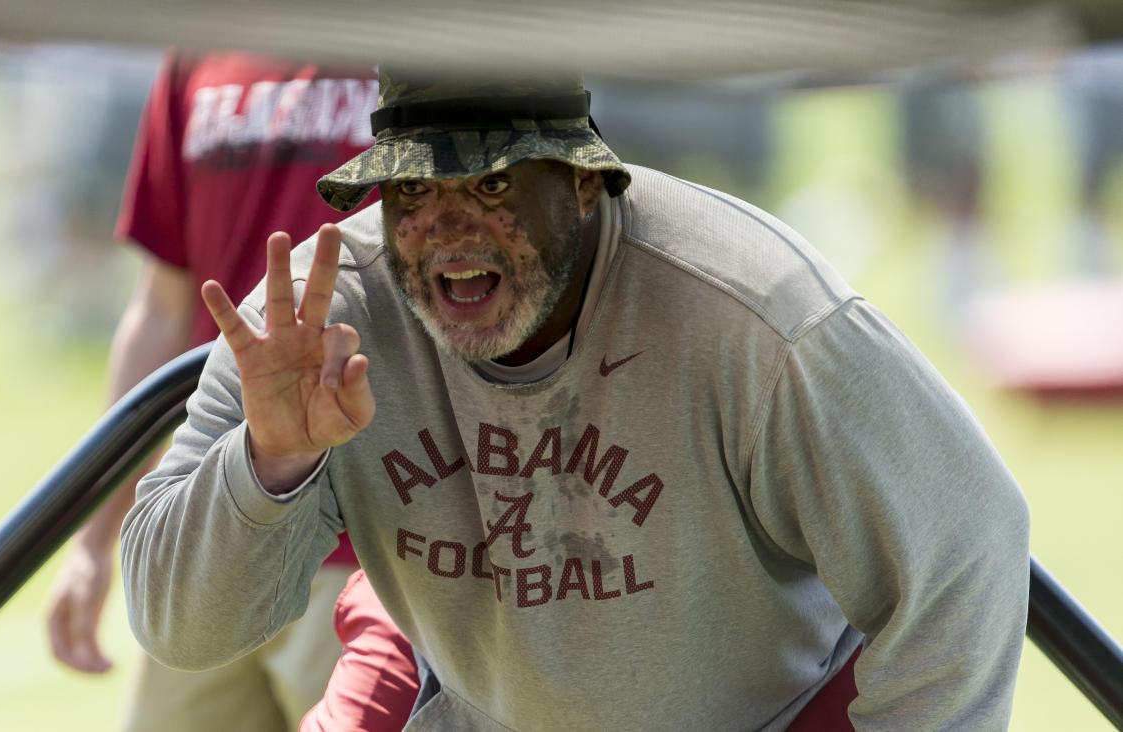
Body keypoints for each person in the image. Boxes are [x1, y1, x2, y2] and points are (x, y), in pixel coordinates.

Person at [121, 67, 1031, 730]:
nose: (446, 231)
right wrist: (270, 462)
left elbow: (968, 540)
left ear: (587, 182)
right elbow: (178, 628)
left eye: (492, 183)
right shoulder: (333, 313)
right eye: (409, 189)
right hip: (472, 696)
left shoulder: (752, 310)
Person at [45, 49, 408, 731]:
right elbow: (159, 308)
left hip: (379, 536)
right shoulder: (200, 48)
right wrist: (95, 538)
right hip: (214, 520)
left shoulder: (434, 34)